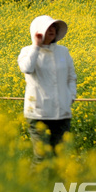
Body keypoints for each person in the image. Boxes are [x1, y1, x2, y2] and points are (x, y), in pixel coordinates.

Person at [18, 15, 76, 165]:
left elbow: (71, 78)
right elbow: (27, 68)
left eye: (54, 28)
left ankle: (54, 187)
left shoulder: (63, 52)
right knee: (41, 158)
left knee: (59, 158)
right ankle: (32, 188)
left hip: (62, 114)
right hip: (38, 113)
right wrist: (36, 46)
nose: (52, 30)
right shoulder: (27, 51)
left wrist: (70, 97)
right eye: (48, 27)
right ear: (37, 31)